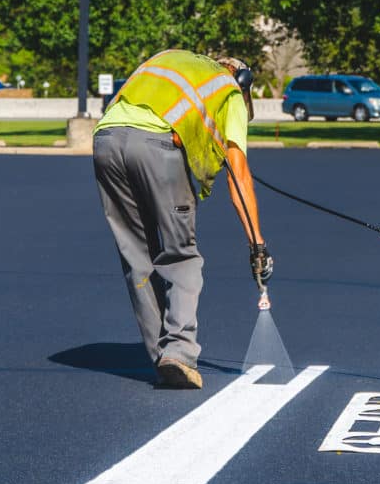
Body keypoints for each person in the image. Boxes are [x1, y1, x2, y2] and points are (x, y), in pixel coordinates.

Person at [92, 49, 274, 389]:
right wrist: (257, 245)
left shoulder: (171, 60)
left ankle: (161, 357)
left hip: (105, 140)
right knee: (182, 255)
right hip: (155, 147)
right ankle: (179, 353)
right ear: (243, 80)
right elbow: (240, 179)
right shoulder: (228, 90)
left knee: (137, 258)